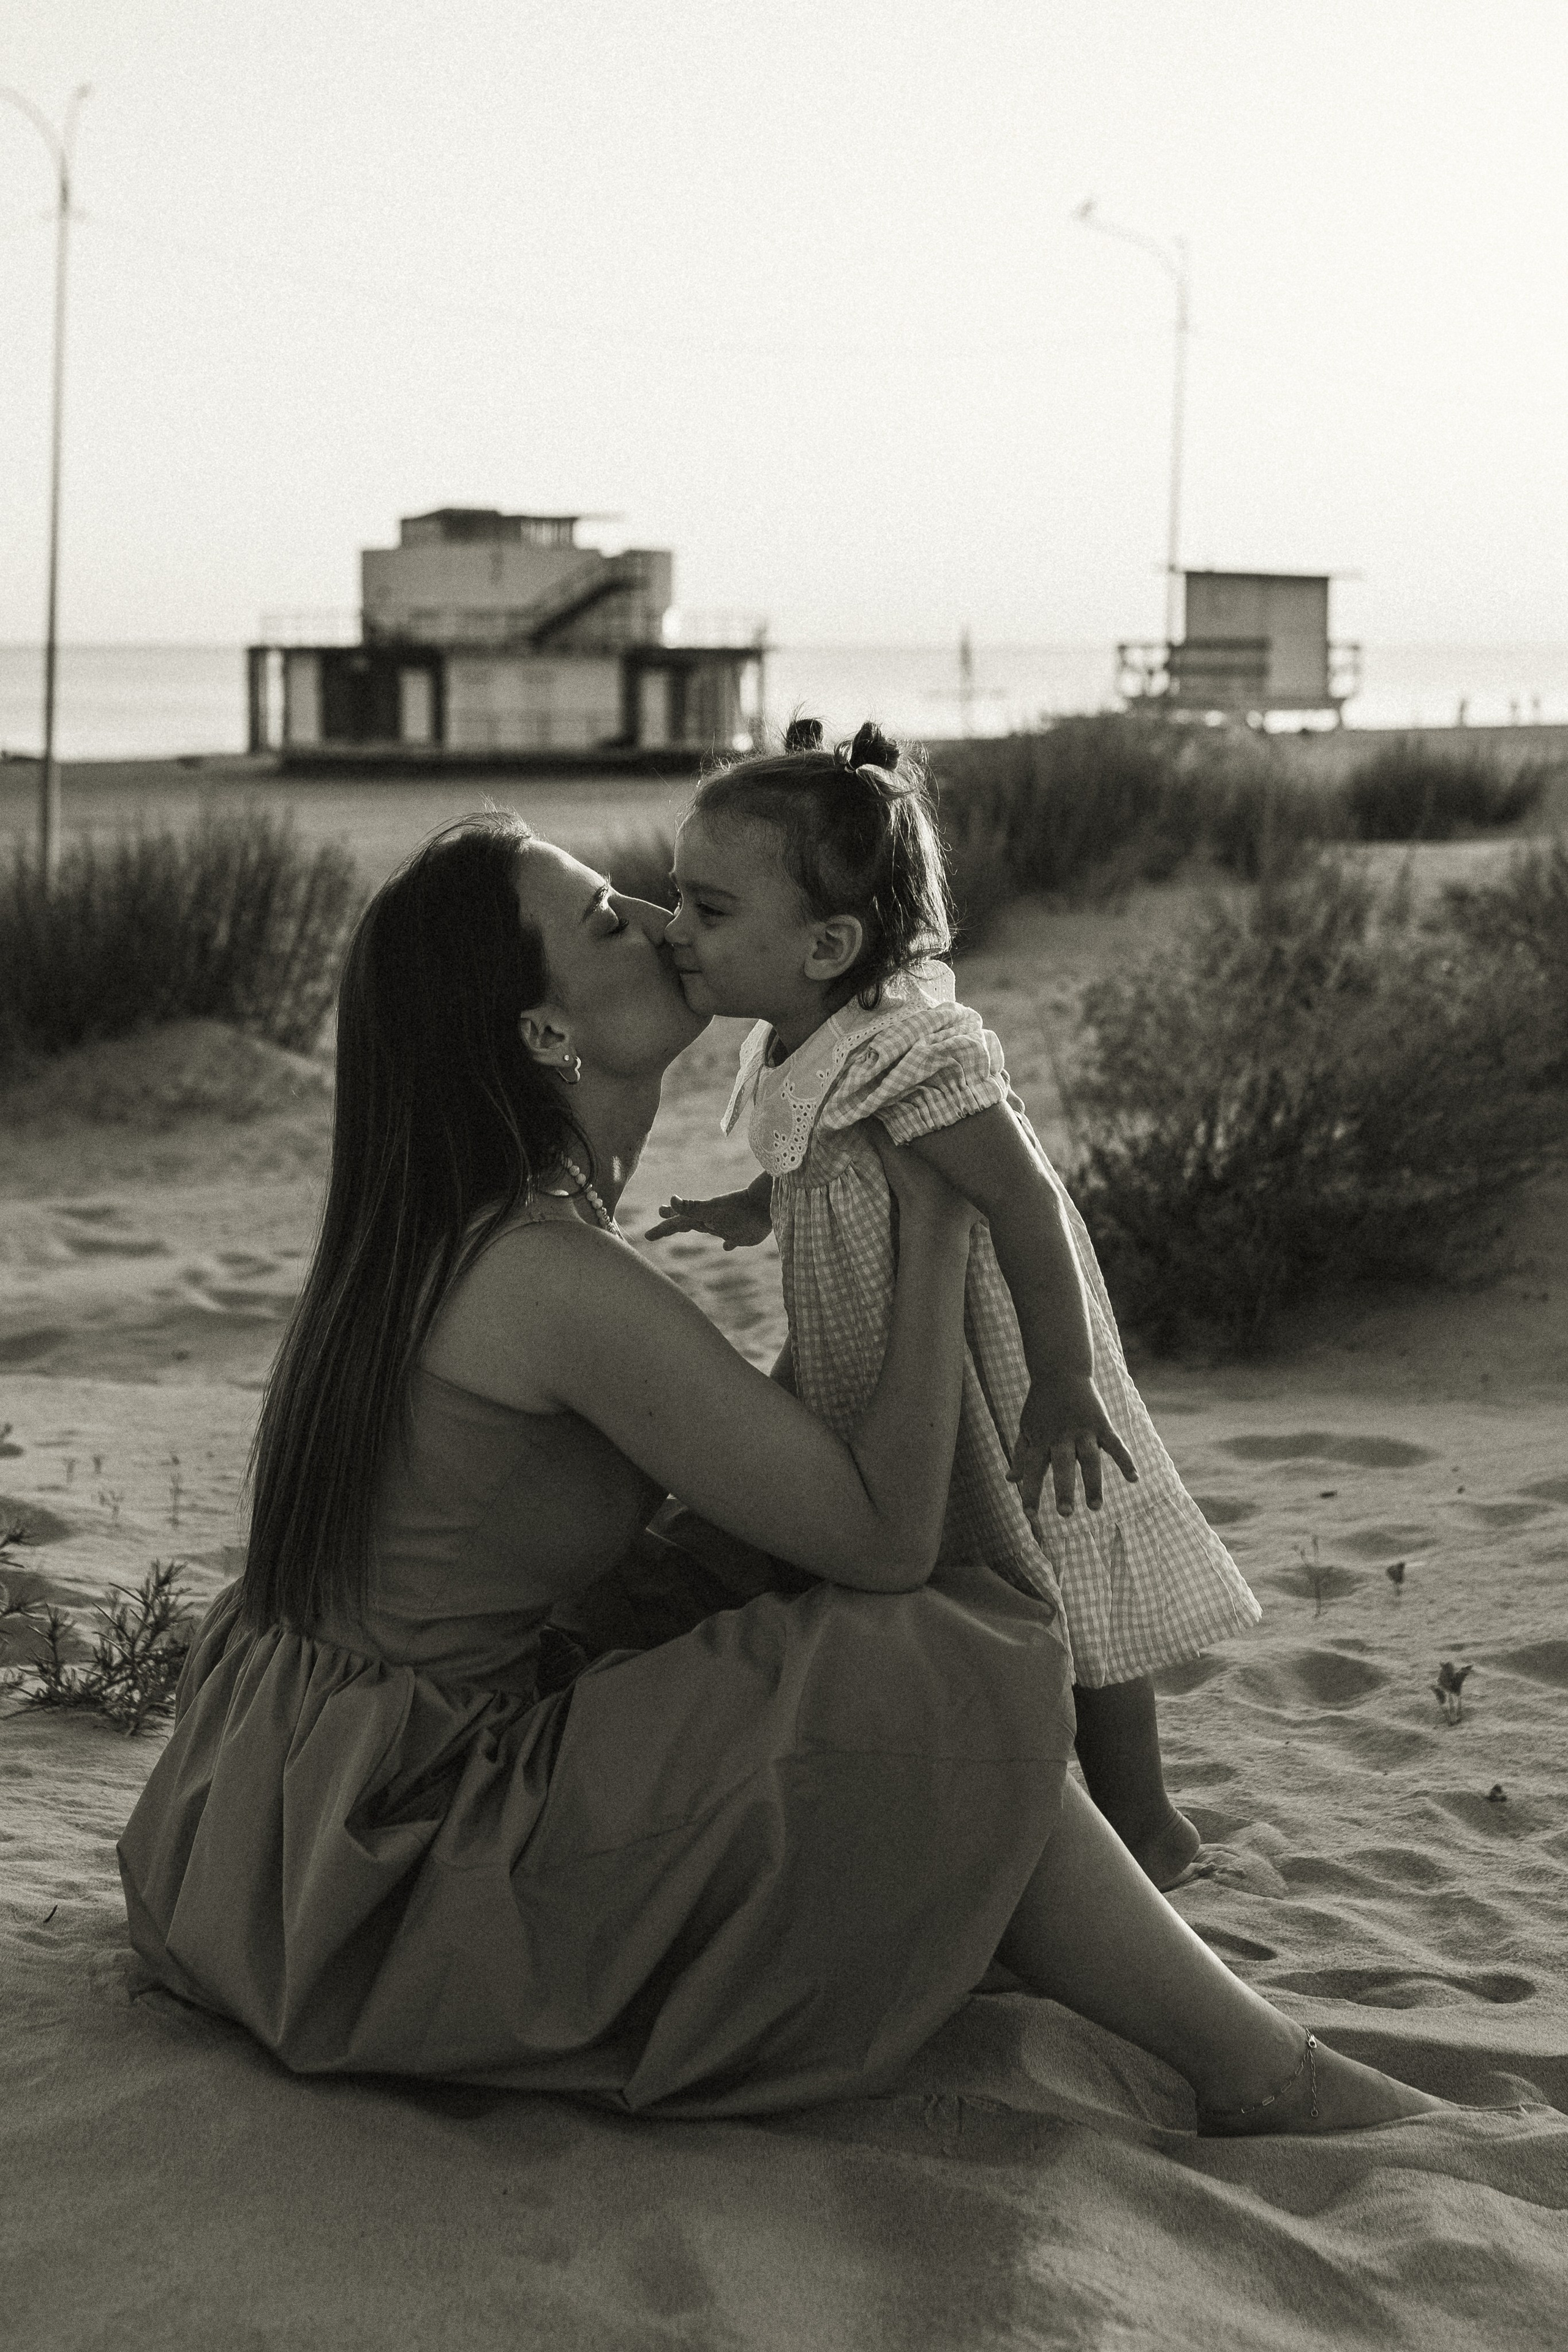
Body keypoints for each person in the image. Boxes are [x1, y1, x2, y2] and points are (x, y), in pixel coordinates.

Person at [119, 810, 1439, 2133]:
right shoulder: (543, 1269)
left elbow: (764, 1467)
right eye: (602, 922)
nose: (654, 920)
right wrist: (930, 1228)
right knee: (919, 1660)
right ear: (541, 1035)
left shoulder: (460, 1223)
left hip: (280, 1796)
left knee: (767, 1584)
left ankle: (1058, 1891)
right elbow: (881, 1540)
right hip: (393, 1859)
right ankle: (1254, 2069)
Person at [651, 720, 1258, 1890]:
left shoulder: (912, 1051)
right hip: (872, 1343)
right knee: (937, 1564)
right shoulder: (800, 1039)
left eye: (712, 912)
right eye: (680, 897)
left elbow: (1025, 1207)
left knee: (1057, 1569)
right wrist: (751, 1209)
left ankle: (1145, 1823)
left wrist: (1068, 1379)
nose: (675, 930)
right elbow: (822, 1161)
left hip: (998, 1361)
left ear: (829, 943)